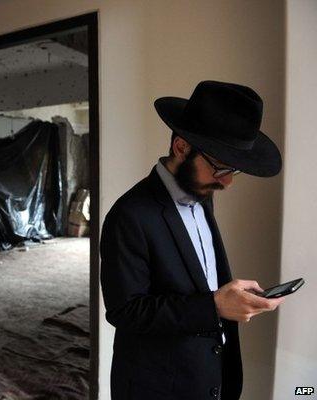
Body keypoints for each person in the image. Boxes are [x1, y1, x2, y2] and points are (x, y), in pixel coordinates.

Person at [100, 81, 285, 400]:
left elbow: (199, 276)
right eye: (220, 167)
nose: (226, 183)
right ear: (182, 147)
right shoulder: (129, 214)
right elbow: (124, 311)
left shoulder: (202, 194)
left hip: (208, 375)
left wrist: (228, 296)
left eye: (234, 170)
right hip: (158, 386)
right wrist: (213, 306)